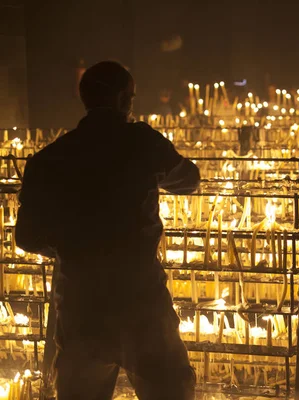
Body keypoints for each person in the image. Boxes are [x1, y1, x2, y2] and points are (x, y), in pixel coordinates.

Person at [16, 61, 199, 399]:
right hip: (141, 304)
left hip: (81, 306)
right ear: (121, 100)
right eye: (130, 98)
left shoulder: (47, 160)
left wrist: (71, 249)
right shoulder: (142, 142)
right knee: (168, 389)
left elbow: (26, 237)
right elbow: (189, 179)